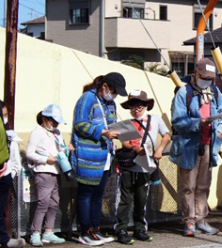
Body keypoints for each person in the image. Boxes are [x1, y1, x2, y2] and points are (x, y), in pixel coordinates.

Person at [170, 58, 222, 237]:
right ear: (195, 73)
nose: (207, 81)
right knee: (188, 186)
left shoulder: (215, 91)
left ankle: (201, 219)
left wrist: (220, 132)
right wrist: (198, 123)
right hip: (188, 147)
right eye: (204, 77)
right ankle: (189, 220)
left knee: (204, 185)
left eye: (211, 78)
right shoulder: (183, 92)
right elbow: (178, 122)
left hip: (209, 145)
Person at [70, 72, 127, 246]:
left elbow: (111, 123)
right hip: (88, 155)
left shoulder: (110, 103)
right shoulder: (87, 98)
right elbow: (80, 124)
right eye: (114, 90)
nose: (115, 95)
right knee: (86, 194)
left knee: (97, 195)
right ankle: (85, 231)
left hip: (105, 154)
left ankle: (95, 229)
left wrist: (119, 132)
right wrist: (103, 132)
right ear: (104, 86)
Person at [114, 90, 170, 245]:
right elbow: (124, 142)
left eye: (139, 105)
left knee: (141, 198)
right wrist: (134, 148)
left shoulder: (156, 119)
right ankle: (122, 229)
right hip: (130, 165)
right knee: (125, 199)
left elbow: (167, 135)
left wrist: (159, 149)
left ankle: (140, 228)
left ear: (146, 105)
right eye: (133, 106)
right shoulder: (127, 123)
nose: (136, 109)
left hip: (146, 165)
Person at [26, 104, 69, 246]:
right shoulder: (37, 132)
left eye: (57, 121)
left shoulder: (57, 132)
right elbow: (29, 153)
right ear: (44, 118)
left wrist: (67, 149)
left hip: (57, 170)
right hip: (44, 171)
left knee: (54, 202)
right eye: (53, 120)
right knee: (43, 203)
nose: (55, 124)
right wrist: (45, 159)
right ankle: (36, 232)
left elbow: (60, 148)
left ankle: (48, 232)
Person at [0, 101, 25, 248]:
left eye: (5, 115)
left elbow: (14, 158)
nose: (4, 118)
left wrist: (11, 171)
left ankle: (4, 239)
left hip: (5, 175)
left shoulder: (9, 135)